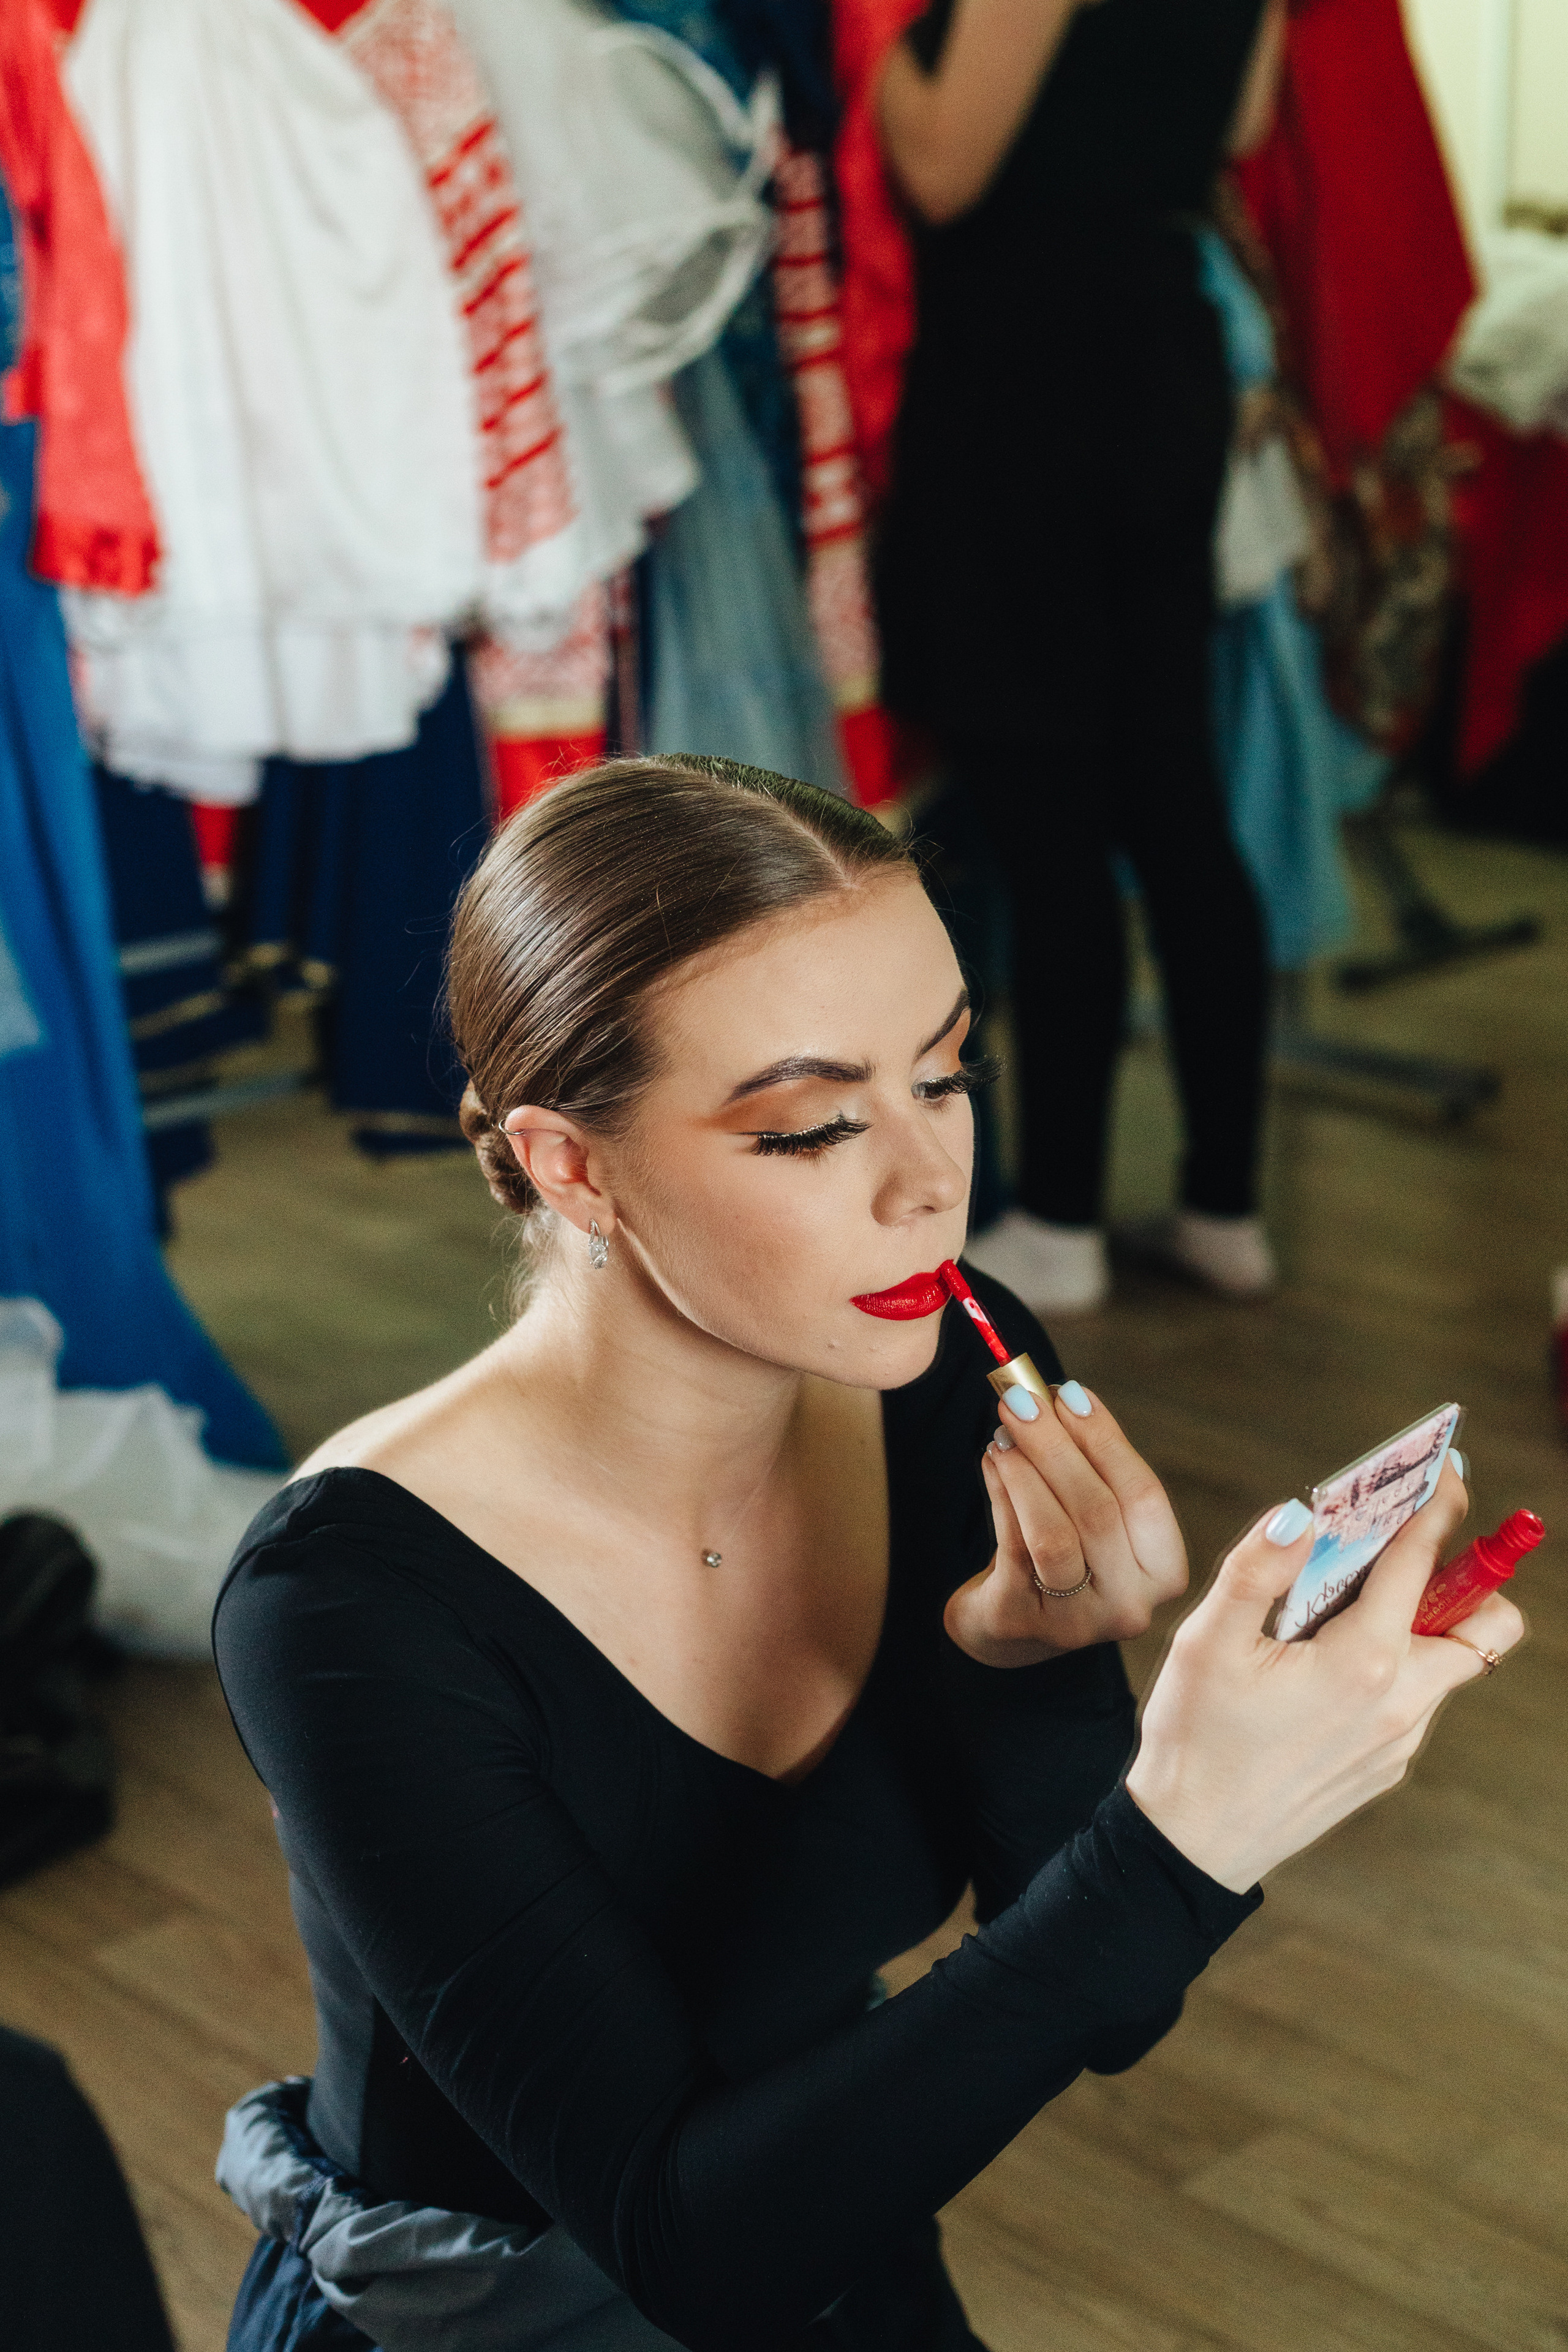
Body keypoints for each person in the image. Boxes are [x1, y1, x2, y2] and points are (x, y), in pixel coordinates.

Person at [213, 759, 1520, 2352]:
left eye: (947, 1076)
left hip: (843, 2229)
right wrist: (1183, 1830)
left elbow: (1107, 2004)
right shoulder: (348, 1608)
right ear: (573, 1165)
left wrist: (1037, 1669)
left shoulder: (952, 1380)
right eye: (817, 1123)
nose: (932, 1182)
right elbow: (678, 2243)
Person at [874, 0, 1289, 1312]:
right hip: (1159, 352)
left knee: (1047, 811)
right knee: (1169, 792)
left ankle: (1059, 1217)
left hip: (1030, 370)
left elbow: (942, 169)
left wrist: (861, 40)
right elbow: (1239, 123)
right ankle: (1223, 1203)